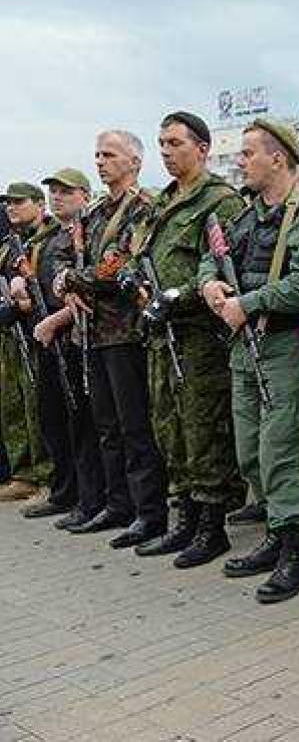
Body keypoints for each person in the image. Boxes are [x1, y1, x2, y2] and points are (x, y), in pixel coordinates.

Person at [198, 118, 299, 603]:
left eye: (249, 153)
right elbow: (212, 258)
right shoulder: (246, 217)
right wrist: (209, 284)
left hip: (284, 346)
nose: (241, 162)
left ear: (278, 158)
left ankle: (296, 556)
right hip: (243, 350)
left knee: (282, 450)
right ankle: (276, 536)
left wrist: (246, 305)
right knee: (251, 450)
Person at [131, 111, 245, 569]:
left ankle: (211, 525)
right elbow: (142, 253)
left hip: (200, 337)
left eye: (175, 143)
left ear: (202, 148)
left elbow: (223, 269)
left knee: (203, 430)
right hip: (163, 335)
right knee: (169, 427)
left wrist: (181, 298)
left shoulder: (219, 201)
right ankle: (185, 517)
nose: (166, 152)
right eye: (161, 144)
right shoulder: (163, 203)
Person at [58, 131, 168, 547]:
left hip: (126, 333)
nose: (101, 161)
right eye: (97, 155)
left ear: (134, 161)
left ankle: (150, 511)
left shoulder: (143, 207)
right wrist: (65, 280)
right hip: (94, 334)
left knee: (135, 426)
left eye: (109, 154)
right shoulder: (95, 212)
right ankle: (118, 504)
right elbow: (67, 259)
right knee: (106, 426)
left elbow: (117, 265)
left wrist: (73, 279)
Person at [6, 169, 102, 527]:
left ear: (84, 196)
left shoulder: (87, 233)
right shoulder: (46, 238)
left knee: (83, 423)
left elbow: (87, 288)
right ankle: (66, 491)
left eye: (65, 191)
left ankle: (88, 496)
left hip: (76, 337)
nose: (57, 197)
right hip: (47, 339)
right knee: (54, 420)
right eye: (54, 192)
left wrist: (54, 320)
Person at [0, 183, 54, 505]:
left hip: (37, 331)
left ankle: (43, 474)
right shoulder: (11, 244)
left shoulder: (39, 240)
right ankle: (24, 473)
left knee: (36, 406)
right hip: (14, 332)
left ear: (38, 203)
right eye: (9, 203)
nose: (11, 207)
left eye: (18, 202)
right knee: (15, 406)